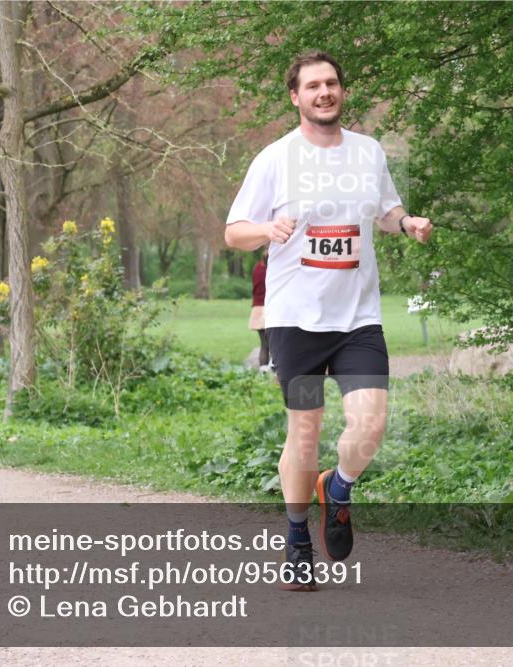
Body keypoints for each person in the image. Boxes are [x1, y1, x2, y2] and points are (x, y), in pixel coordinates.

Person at [224, 51, 433, 591]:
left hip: (357, 319)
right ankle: (297, 541)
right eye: (313, 85)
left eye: (332, 83)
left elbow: (384, 209)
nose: (324, 92)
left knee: (371, 425)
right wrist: (267, 230)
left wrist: (406, 222)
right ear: (295, 97)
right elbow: (234, 231)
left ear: (342, 91)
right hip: (295, 321)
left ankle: (337, 489)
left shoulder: (368, 152)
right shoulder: (275, 159)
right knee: (305, 432)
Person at [249, 249, 272, 371]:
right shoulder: (273, 270)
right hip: (270, 308)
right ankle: (274, 370)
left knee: (264, 344)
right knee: (274, 344)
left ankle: (263, 371)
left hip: (257, 308)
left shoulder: (257, 268)